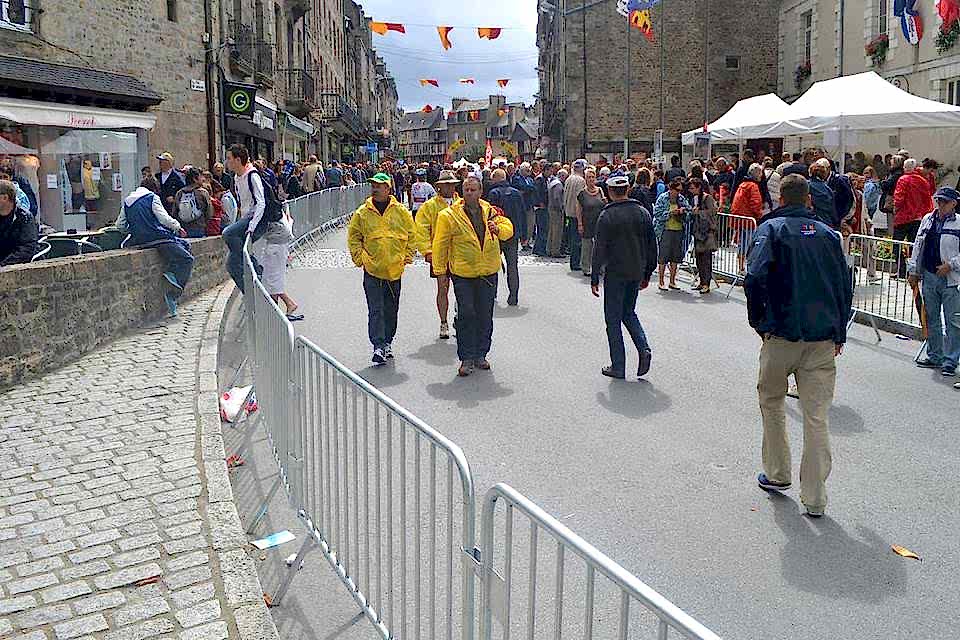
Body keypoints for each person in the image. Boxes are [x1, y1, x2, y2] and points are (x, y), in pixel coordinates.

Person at [745, 174, 851, 518]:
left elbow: (754, 278)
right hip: (821, 337)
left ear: (780, 199)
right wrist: (839, 333)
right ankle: (816, 497)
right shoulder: (828, 236)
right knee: (816, 417)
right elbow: (843, 285)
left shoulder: (771, 230)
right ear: (809, 200)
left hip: (781, 333)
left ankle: (778, 473)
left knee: (772, 402)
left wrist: (759, 322)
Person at [433, 176, 514, 377]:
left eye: (473, 190)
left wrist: (499, 229)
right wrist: (440, 271)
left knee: (485, 315)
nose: (469, 193)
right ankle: (466, 357)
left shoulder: (491, 211)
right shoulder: (448, 215)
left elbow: (508, 229)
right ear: (461, 192)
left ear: (480, 192)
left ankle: (481, 354)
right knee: (467, 314)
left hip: (487, 272)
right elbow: (440, 244)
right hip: (463, 273)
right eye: (466, 190)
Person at [590, 175, 658, 379]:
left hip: (616, 273)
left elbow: (599, 249)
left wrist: (594, 277)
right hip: (636, 271)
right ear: (627, 189)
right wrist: (647, 273)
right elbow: (651, 246)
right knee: (629, 312)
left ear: (610, 192)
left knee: (613, 319)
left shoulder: (607, 215)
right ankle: (643, 347)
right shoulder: (643, 213)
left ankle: (618, 365)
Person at [347, 173, 416, 365]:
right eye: (373, 185)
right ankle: (378, 345)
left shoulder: (401, 212)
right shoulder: (362, 213)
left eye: (379, 185)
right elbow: (354, 237)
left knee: (391, 309)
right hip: (372, 270)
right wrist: (360, 259)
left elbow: (412, 234)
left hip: (394, 270)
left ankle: (387, 342)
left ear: (388, 188)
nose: (375, 189)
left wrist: (406, 257)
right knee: (376, 309)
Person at [115, 177, 193, 317]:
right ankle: (173, 290)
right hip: (157, 238)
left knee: (183, 245)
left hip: (139, 240)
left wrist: (133, 229)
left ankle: (172, 273)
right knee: (187, 259)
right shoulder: (152, 197)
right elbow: (163, 218)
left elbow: (120, 225)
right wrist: (178, 226)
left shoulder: (127, 201)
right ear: (154, 188)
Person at [909, 187, 960, 376]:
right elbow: (917, 246)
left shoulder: (959, 223)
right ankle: (935, 355)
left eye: (944, 202)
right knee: (932, 317)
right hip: (929, 275)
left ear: (954, 203)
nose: (940, 205)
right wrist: (913, 270)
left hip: (951, 279)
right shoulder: (927, 219)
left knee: (953, 321)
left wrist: (952, 265)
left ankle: (950, 361)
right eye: (938, 201)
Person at [415, 170, 461, 339]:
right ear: (439, 187)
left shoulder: (461, 203)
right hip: (440, 254)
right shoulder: (430, 206)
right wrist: (427, 250)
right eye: (446, 184)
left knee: (463, 289)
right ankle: (443, 322)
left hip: (461, 253)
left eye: (452, 184)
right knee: (443, 288)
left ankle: (459, 317)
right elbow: (421, 228)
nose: (449, 187)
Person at [222, 144, 266, 293]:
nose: (226, 162)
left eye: (229, 159)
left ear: (238, 160)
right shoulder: (236, 177)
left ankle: (253, 266)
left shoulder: (252, 175)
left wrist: (252, 225)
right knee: (231, 265)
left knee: (227, 233)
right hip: (246, 218)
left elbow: (261, 202)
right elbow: (243, 204)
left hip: (256, 219)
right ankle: (250, 294)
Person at [485, 168, 524, 306]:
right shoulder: (516, 193)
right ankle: (513, 295)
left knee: (494, 264)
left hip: (497, 233)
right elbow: (522, 214)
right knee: (513, 266)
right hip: (513, 234)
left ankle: (492, 293)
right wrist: (524, 234)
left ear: (496, 178)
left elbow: (489, 214)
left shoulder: (493, 193)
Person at [653, 178, 690, 291]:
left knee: (675, 257)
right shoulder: (663, 198)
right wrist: (670, 213)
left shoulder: (681, 199)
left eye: (680, 190)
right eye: (677, 190)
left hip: (678, 230)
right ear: (671, 188)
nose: (678, 192)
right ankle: (661, 281)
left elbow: (689, 212)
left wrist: (683, 211)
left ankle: (673, 281)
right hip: (665, 230)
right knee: (663, 256)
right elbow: (657, 213)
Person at [731, 163, 765, 274]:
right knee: (750, 244)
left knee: (742, 244)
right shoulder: (753, 186)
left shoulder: (743, 184)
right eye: (760, 173)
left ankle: (740, 267)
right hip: (749, 219)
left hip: (740, 218)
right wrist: (760, 215)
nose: (762, 175)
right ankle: (748, 268)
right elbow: (755, 203)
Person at [689, 177, 718, 294]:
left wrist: (699, 212)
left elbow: (712, 212)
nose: (690, 190)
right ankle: (701, 282)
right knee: (699, 258)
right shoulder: (694, 198)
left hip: (706, 232)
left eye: (692, 188)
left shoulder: (707, 198)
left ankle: (706, 283)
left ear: (699, 187)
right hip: (697, 231)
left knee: (706, 259)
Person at [0, 179, 38, 267]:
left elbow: (27, 248)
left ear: (5, 198)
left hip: (13, 267)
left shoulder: (24, 218)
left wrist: (3, 265)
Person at [578, 167, 606, 278]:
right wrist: (580, 224)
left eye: (593, 177)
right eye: (589, 177)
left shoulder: (600, 190)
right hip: (587, 222)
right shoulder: (582, 193)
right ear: (585, 179)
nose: (591, 179)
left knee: (601, 245)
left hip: (599, 222)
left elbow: (604, 203)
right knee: (587, 246)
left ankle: (601, 267)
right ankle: (586, 267)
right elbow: (578, 209)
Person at [174, 166, 213, 238]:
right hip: (198, 227)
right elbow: (209, 213)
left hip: (183, 229)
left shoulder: (180, 193)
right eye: (201, 177)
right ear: (195, 179)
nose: (203, 179)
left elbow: (175, 212)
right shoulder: (202, 192)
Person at [563, 159, 587, 269]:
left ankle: (574, 261)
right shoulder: (581, 181)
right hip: (576, 213)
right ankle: (576, 262)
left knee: (572, 237)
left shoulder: (568, 179)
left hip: (568, 211)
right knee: (577, 239)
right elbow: (580, 199)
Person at [512, 162, 537, 251]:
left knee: (531, 224)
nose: (528, 171)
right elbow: (521, 187)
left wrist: (527, 188)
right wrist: (527, 188)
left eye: (528, 170)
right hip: (522, 205)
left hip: (530, 204)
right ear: (522, 170)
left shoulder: (530, 179)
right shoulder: (517, 179)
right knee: (524, 224)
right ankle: (524, 242)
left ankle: (528, 241)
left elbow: (533, 188)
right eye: (526, 170)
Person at [807, 160, 838, 230]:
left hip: (812, 222)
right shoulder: (828, 189)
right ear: (824, 174)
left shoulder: (807, 185)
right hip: (827, 223)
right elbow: (833, 210)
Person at [533, 162, 551, 256]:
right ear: (545, 170)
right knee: (543, 228)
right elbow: (537, 192)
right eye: (549, 171)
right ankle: (541, 249)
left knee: (542, 228)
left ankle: (537, 248)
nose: (551, 173)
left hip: (544, 206)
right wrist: (540, 203)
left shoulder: (545, 179)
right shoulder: (539, 179)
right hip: (541, 207)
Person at [547, 168, 566, 257]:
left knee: (551, 230)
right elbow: (557, 198)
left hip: (551, 208)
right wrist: (561, 207)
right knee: (557, 231)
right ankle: (555, 251)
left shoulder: (553, 182)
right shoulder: (558, 185)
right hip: (556, 210)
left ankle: (549, 249)